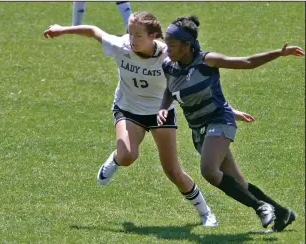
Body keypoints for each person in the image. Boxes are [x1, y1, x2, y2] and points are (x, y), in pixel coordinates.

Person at [43, 11, 254, 227]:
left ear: (154, 35)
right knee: (127, 156)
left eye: (138, 35)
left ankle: (205, 212)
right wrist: (62, 29)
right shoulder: (120, 46)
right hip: (128, 109)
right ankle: (116, 157)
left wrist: (230, 110)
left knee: (172, 171)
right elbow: (92, 31)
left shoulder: (169, 56)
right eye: (130, 34)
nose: (132, 40)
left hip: (160, 114)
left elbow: (198, 85)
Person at [157, 14, 304, 232]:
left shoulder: (207, 60)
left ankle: (260, 207)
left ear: (187, 46)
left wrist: (278, 53)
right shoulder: (170, 65)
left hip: (220, 120)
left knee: (208, 170)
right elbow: (171, 88)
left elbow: (247, 62)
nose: (167, 49)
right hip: (199, 130)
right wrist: (163, 106)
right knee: (238, 183)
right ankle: (282, 212)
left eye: (172, 45)